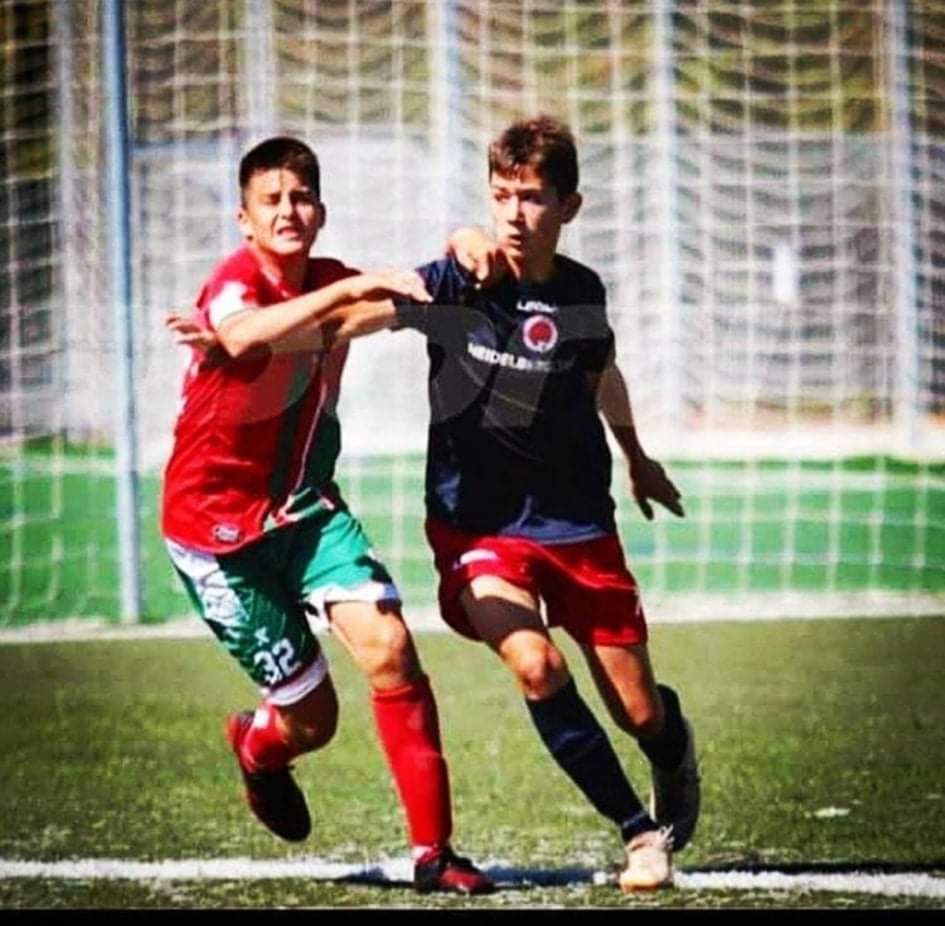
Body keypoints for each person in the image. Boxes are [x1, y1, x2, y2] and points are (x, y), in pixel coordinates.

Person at [161, 136, 493, 896]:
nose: (288, 211)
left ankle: (434, 853)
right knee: (314, 721)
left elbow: (419, 293)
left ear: (321, 211)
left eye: (301, 198)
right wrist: (359, 287)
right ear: (244, 218)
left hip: (306, 509)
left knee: (391, 648)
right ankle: (258, 748)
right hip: (218, 537)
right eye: (271, 200)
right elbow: (242, 332)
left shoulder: (334, 283)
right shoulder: (235, 281)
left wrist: (463, 240)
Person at [391, 116, 700, 892]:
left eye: (531, 197)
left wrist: (636, 457)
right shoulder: (459, 281)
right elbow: (370, 309)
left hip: (576, 521)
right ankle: (640, 834)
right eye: (500, 195)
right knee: (534, 662)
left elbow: (601, 375)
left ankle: (671, 750)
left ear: (568, 206)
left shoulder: (581, 291)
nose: (513, 214)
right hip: (477, 527)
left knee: (639, 713)